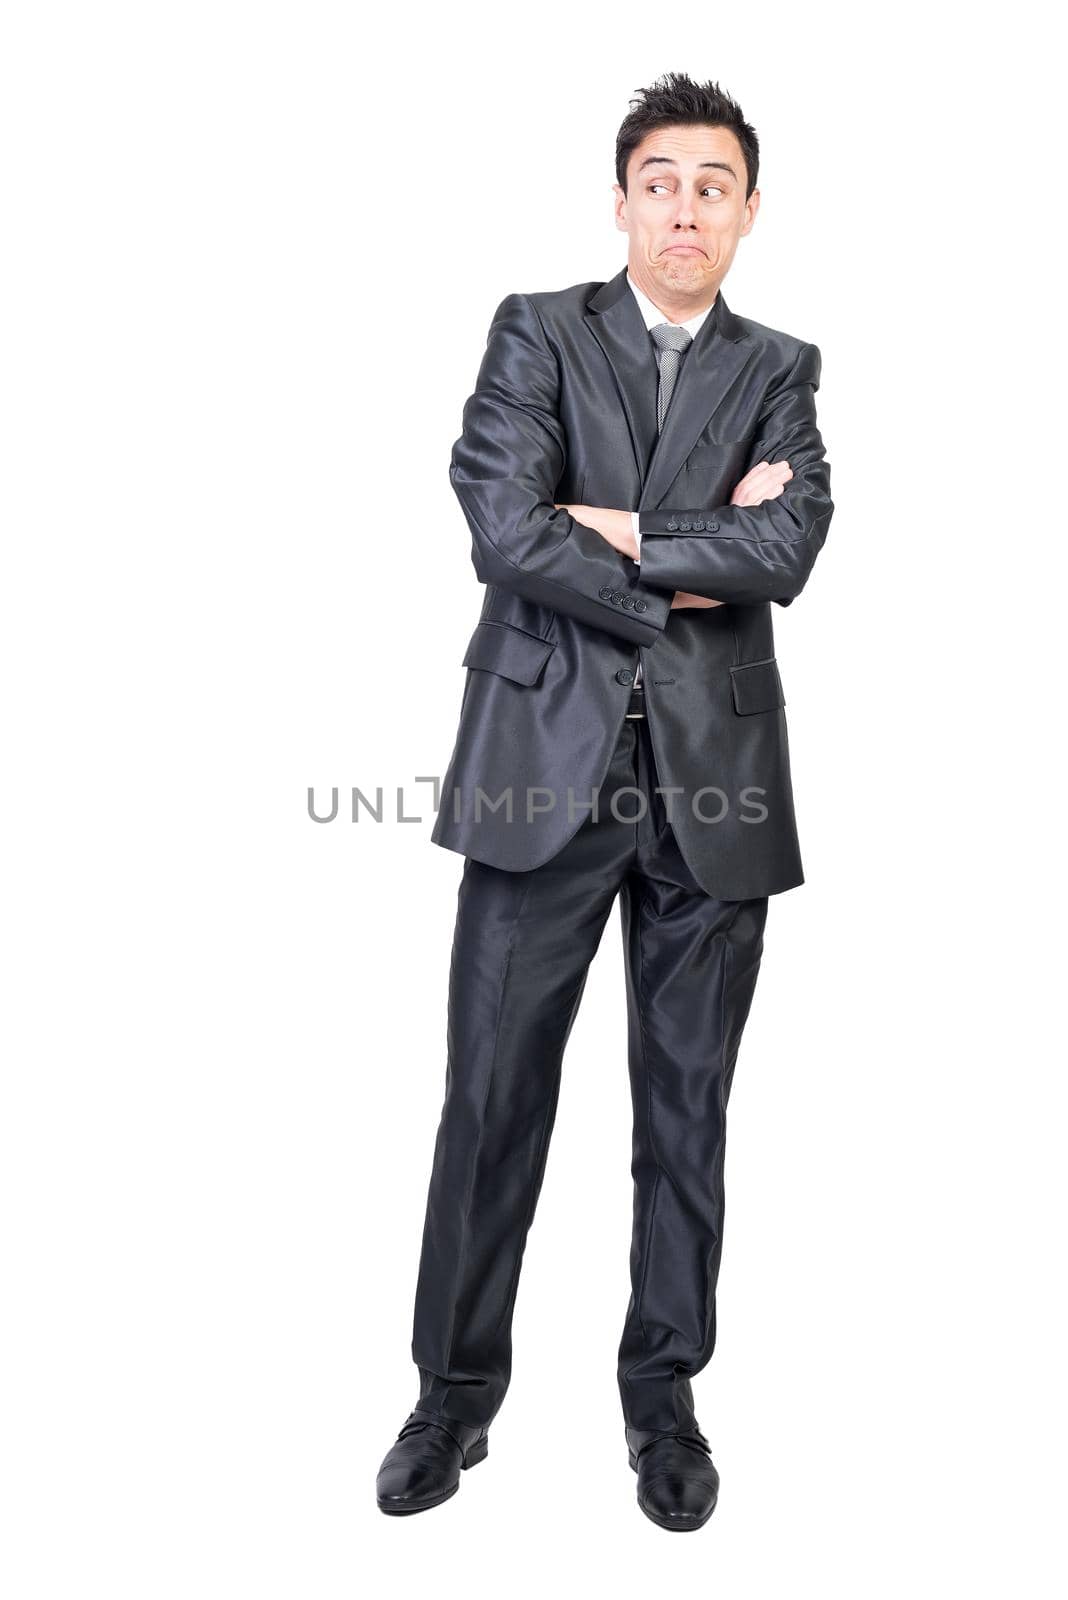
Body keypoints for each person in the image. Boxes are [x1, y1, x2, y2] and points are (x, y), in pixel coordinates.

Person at [375, 71, 833, 1531]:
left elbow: (791, 552)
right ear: (622, 198)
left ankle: (664, 1405)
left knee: (684, 1115)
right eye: (660, 180)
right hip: (538, 774)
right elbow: (502, 525)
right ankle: (453, 1402)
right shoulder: (535, 330)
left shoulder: (783, 367)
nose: (684, 206)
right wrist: (694, 550)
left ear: (748, 211)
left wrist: (617, 527)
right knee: (492, 1102)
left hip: (718, 788)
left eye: (713, 184)